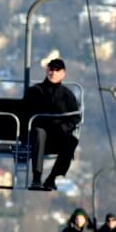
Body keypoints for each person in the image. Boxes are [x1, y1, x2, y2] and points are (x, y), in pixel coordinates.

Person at [24, 58, 80, 190]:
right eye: (51, 69)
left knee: (71, 141)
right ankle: (36, 177)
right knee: (40, 133)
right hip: (38, 134)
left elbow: (75, 117)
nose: (53, 73)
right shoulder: (35, 91)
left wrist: (64, 127)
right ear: (47, 71)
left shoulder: (67, 95)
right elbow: (26, 112)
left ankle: (52, 178)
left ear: (63, 74)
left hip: (57, 135)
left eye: (57, 70)